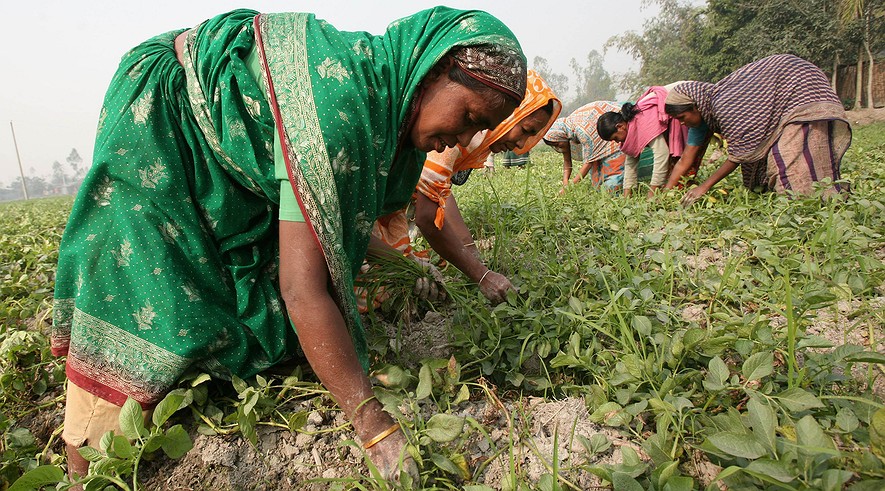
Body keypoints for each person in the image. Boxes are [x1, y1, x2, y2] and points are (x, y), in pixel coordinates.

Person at [51, 7, 527, 482]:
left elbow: (334, 233)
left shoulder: (383, 111)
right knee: (147, 293)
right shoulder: (341, 111)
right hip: (164, 114)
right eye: (468, 115)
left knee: (242, 300)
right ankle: (85, 464)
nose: (460, 139)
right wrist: (372, 423)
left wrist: (410, 266)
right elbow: (302, 289)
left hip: (230, 148)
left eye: (477, 132)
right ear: (435, 68)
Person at [368, 70, 560, 305]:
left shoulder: (473, 138)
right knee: (374, 285)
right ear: (509, 115)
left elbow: (441, 193)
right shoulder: (454, 134)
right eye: (525, 130)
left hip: (383, 204)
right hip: (370, 203)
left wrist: (468, 251)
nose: (521, 143)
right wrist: (481, 274)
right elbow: (427, 217)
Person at [664, 54, 851, 205]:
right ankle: (822, 199)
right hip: (792, 90)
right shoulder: (708, 111)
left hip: (799, 88)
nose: (681, 123)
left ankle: (807, 208)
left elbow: (739, 155)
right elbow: (685, 159)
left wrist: (703, 187)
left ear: (695, 107)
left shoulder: (723, 105)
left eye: (682, 118)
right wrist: (664, 196)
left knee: (787, 158)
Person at [543, 101, 654, 192]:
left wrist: (569, 187)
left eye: (556, 144)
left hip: (614, 135)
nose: (558, 148)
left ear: (559, 137)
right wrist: (565, 183)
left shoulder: (581, 131)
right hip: (605, 138)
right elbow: (567, 162)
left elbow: (588, 163)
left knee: (611, 187)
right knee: (597, 185)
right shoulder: (565, 135)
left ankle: (628, 188)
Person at [597, 86, 688, 196]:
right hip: (679, 102)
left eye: (615, 138)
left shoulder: (642, 121)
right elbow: (630, 164)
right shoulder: (631, 128)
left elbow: (662, 154)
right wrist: (626, 197)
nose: (617, 142)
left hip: (684, 99)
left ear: (620, 126)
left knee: (685, 164)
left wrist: (652, 192)